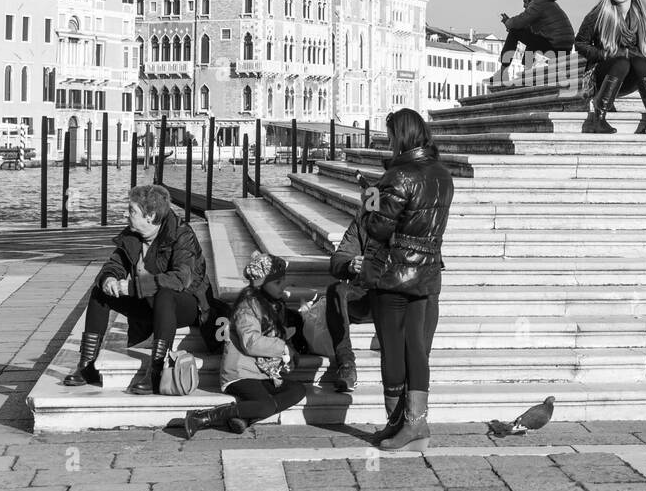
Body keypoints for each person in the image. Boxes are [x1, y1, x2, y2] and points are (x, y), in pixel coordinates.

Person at [354, 108, 454, 451]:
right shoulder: (442, 174)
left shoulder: (399, 177)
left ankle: (399, 422)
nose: (390, 141)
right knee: (417, 351)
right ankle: (413, 422)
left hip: (395, 274)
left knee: (394, 352)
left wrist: (369, 201)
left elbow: (377, 228)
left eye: (392, 135)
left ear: (403, 136)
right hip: (428, 275)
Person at [63, 183, 211, 395]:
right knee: (100, 293)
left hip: (187, 305)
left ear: (150, 216)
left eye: (131, 210)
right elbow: (114, 264)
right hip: (150, 304)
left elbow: (180, 279)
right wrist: (109, 279)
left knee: (164, 293)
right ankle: (87, 366)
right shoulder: (132, 234)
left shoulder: (181, 234)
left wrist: (132, 287)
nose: (126, 213)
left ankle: (157, 370)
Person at [321, 173, 442, 399]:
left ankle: (418, 369)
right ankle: (346, 364)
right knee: (335, 291)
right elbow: (338, 261)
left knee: (429, 294)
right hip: (369, 298)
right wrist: (350, 265)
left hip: (400, 300)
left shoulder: (413, 227)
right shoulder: (362, 224)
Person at [185, 251, 307, 438]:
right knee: (265, 404)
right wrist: (283, 347)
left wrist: (290, 354)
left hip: (263, 373)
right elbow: (251, 342)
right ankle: (205, 417)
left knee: (298, 389)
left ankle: (245, 419)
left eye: (283, 280)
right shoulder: (248, 306)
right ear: (262, 284)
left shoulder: (274, 305)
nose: (284, 286)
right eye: (277, 282)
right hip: (240, 373)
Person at [573, 0, 646, 134]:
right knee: (621, 61)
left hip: (629, 80)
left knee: (637, 61)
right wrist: (605, 54)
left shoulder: (644, 17)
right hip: (601, 76)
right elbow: (580, 43)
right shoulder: (600, 12)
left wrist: (634, 54)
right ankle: (599, 118)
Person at [492, 0, 576, 85]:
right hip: (565, 46)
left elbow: (520, 20)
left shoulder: (539, 3)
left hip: (556, 45)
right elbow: (526, 27)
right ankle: (526, 73)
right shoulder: (549, 3)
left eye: (525, 2)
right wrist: (510, 23)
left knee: (514, 32)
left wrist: (509, 23)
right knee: (531, 39)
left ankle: (503, 73)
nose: (524, 5)